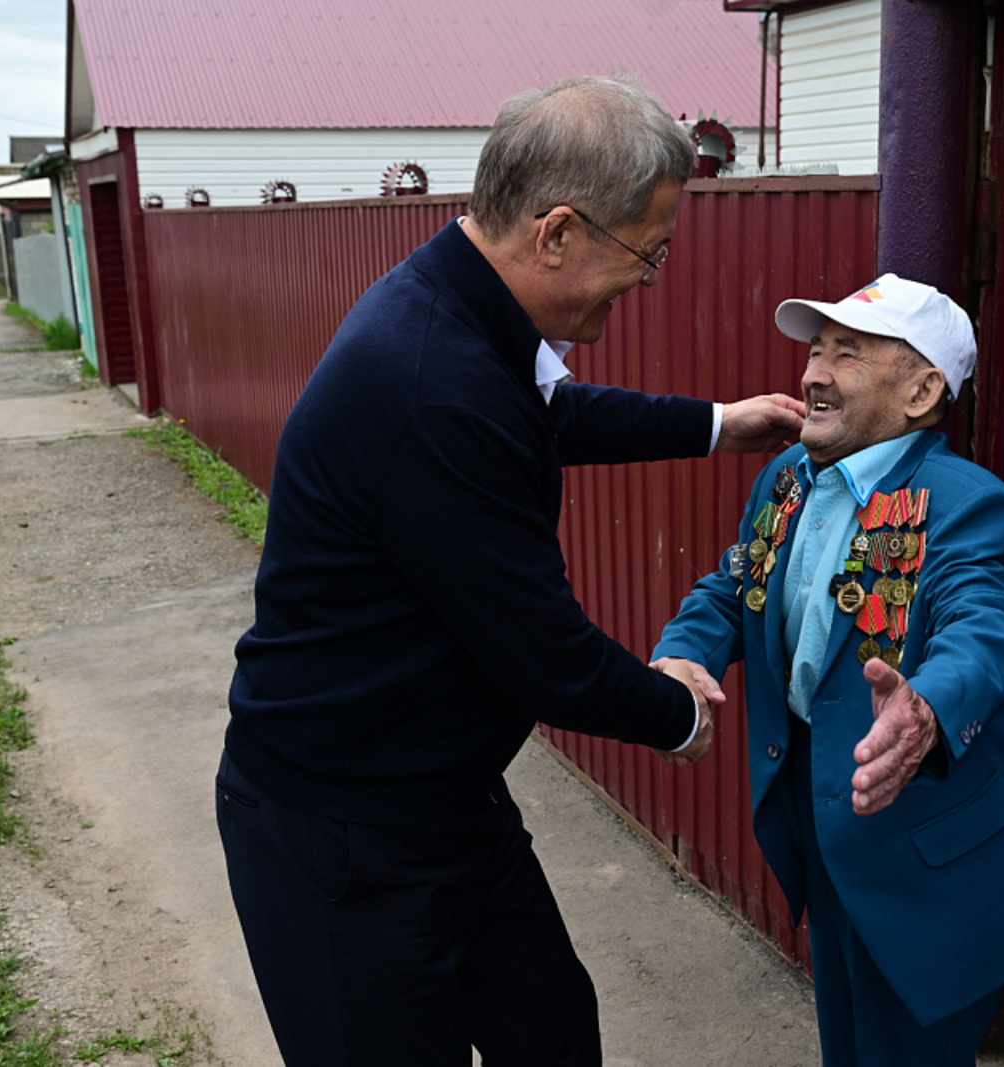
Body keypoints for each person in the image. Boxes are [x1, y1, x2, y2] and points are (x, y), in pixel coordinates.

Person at [216, 74, 805, 1066]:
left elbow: (544, 417)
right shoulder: (428, 383)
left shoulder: (467, 308)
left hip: (444, 795)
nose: (650, 278)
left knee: (551, 1030)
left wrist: (714, 425)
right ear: (558, 232)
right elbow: (544, 655)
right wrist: (677, 711)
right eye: (647, 252)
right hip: (340, 828)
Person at [653, 274, 1004, 1065]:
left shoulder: (965, 500)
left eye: (846, 354)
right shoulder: (785, 478)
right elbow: (733, 583)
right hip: (829, 825)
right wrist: (685, 650)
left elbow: (985, 627)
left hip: (924, 853)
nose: (813, 372)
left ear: (921, 391)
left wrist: (926, 707)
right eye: (816, 350)